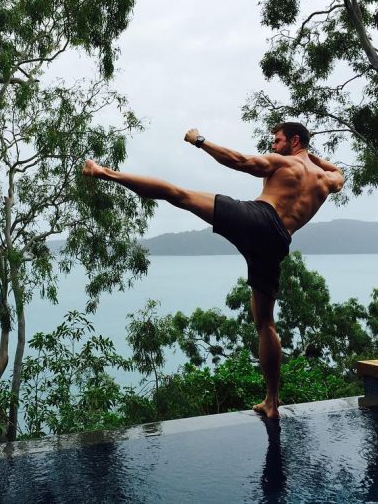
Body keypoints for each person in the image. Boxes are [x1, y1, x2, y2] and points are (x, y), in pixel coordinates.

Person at [82, 122, 345, 419]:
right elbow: (339, 173)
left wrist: (200, 141)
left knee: (178, 194)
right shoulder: (326, 180)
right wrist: (312, 158)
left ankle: (102, 172)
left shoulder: (283, 163)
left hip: (257, 219)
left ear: (294, 141)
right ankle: (272, 402)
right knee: (266, 323)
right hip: (278, 241)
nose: (273, 145)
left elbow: (240, 161)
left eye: (278, 140)